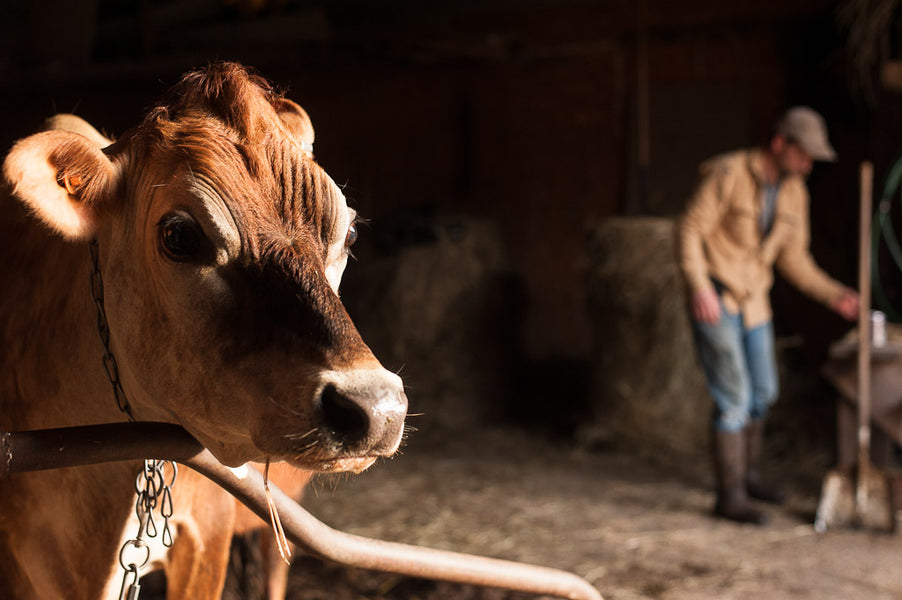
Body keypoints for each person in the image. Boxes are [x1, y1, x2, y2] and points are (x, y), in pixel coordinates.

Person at [677, 106, 859, 524]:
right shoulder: (727, 174)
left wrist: (834, 296)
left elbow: (795, 260)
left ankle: (748, 475)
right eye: (803, 154)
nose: (808, 164)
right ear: (779, 143)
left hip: (755, 301)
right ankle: (730, 495)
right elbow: (690, 229)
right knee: (734, 400)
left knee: (764, 392)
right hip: (718, 298)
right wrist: (699, 286)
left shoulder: (795, 192)